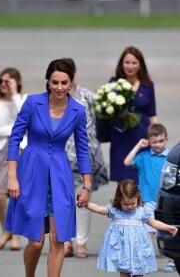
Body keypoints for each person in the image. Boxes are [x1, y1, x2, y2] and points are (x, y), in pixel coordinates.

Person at [5, 58, 92, 277]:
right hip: (32, 171)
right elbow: (15, 139)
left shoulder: (78, 111)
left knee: (58, 237)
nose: (60, 87)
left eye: (64, 82)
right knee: (35, 242)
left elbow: (83, 149)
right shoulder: (33, 103)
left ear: (71, 83)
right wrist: (12, 176)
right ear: (48, 82)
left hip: (60, 175)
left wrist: (86, 186)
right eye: (55, 82)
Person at [84, 179, 178, 277]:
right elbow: (99, 209)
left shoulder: (141, 211)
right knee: (124, 273)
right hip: (122, 250)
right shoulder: (116, 211)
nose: (129, 207)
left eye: (133, 203)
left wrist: (167, 227)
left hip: (138, 250)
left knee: (139, 273)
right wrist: (86, 204)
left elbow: (153, 222)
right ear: (119, 200)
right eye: (125, 204)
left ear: (138, 198)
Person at [64, 58, 109, 258]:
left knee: (82, 200)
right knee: (64, 201)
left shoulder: (87, 96)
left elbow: (104, 115)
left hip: (86, 156)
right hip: (62, 156)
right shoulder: (54, 97)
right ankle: (66, 241)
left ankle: (81, 242)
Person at [124, 123, 175, 272]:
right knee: (148, 231)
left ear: (166, 139)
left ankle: (172, 259)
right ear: (149, 141)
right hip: (149, 201)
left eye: (161, 141)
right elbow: (126, 162)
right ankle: (141, 258)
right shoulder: (144, 157)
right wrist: (139, 146)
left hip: (167, 201)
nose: (158, 145)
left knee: (170, 229)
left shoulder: (170, 157)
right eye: (154, 142)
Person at [0, 67, 27, 251]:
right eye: (1, 81)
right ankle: (6, 229)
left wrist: (15, 94)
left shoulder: (24, 100)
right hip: (1, 150)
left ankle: (16, 234)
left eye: (7, 81)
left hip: (21, 149)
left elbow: (26, 118)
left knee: (17, 194)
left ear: (16, 82)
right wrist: (14, 130)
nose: (3, 85)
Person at [108, 46, 158, 184]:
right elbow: (107, 111)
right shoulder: (113, 84)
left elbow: (152, 114)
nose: (130, 67)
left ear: (140, 65)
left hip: (142, 137)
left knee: (142, 178)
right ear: (121, 64)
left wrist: (156, 136)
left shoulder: (147, 85)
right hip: (121, 137)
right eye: (127, 62)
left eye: (134, 63)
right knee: (123, 179)